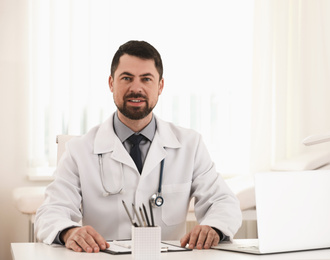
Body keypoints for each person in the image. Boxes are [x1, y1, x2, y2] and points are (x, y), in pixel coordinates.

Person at [35, 40, 242, 253]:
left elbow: (223, 202)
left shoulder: (190, 145)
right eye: (126, 78)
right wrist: (69, 231)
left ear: (160, 86)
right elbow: (51, 211)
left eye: (146, 79)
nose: (136, 88)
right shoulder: (79, 150)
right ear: (111, 83)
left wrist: (214, 227)